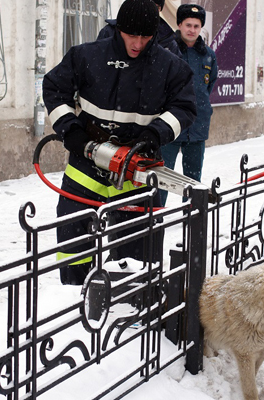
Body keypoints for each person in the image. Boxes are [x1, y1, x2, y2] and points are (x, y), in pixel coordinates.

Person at [43, 0, 196, 285]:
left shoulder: (169, 66)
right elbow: (54, 88)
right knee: (74, 239)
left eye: (145, 36)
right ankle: (75, 294)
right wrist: (71, 131)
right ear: (118, 29)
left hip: (136, 169)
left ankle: (133, 306)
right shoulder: (87, 56)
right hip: (86, 164)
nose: (137, 43)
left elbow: (185, 107)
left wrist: (155, 134)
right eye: (131, 35)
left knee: (138, 249)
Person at [159, 4, 217, 205]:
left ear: (201, 28)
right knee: (163, 176)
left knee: (193, 178)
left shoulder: (209, 55)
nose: (192, 30)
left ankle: (192, 214)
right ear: (179, 25)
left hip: (198, 124)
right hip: (170, 123)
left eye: (196, 26)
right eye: (188, 25)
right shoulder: (167, 51)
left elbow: (208, 87)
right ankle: (157, 216)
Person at [96, 0, 181, 57]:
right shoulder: (110, 32)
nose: (146, 12)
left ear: (159, 10)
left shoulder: (167, 40)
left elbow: (177, 76)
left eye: (153, 8)